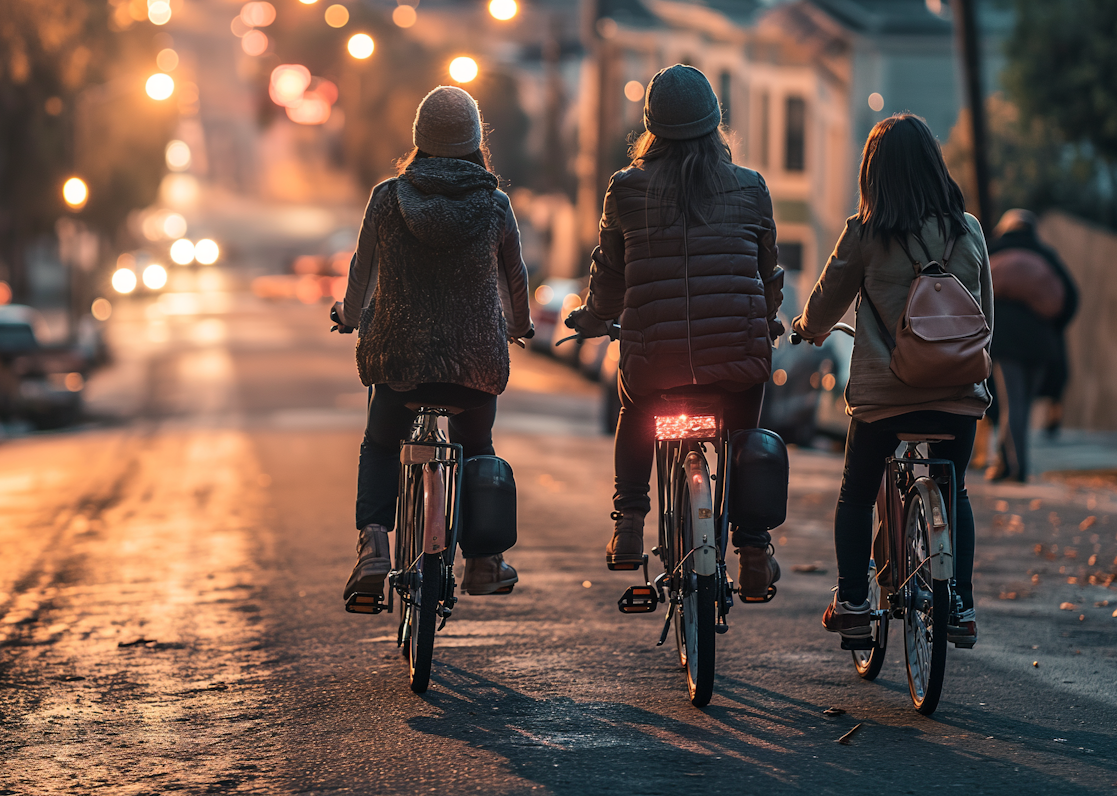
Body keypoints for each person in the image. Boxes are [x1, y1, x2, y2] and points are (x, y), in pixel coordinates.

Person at [563, 64, 787, 600]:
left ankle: (628, 524)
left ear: (652, 130)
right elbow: (768, 272)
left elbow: (610, 276)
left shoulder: (626, 190)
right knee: (744, 438)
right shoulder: (751, 187)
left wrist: (593, 320)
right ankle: (753, 550)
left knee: (633, 406)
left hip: (656, 367)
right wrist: (767, 317)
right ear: (715, 126)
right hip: (737, 362)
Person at [794, 113, 991, 649]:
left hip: (885, 401)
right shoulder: (967, 230)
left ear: (872, 173)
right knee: (955, 490)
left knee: (857, 494)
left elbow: (825, 302)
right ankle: (963, 608)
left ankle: (854, 603)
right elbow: (985, 317)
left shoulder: (865, 234)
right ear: (934, 165)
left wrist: (807, 330)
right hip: (958, 398)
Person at [332, 86, 533, 608]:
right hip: (473, 365)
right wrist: (520, 325)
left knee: (381, 444)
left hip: (400, 364)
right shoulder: (494, 205)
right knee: (476, 448)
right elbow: (515, 277)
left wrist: (349, 317)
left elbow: (363, 272)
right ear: (474, 143)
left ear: (419, 138)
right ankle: (484, 561)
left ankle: (375, 549)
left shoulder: (387, 197)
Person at [985, 209, 1078, 482]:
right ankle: (1006, 463)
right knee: (1020, 404)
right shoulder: (1046, 255)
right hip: (1041, 346)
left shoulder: (993, 249)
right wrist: (1055, 326)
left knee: (1011, 403)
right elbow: (1071, 298)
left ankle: (1019, 467)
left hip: (1005, 342)